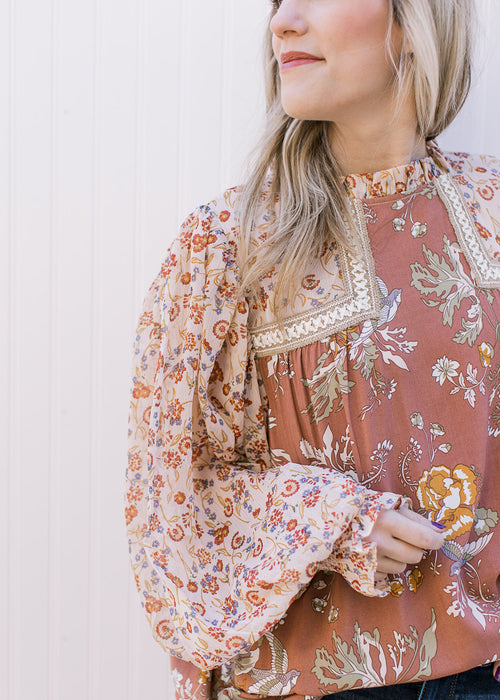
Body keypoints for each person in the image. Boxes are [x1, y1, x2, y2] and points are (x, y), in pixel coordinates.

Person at [125, 1, 500, 697]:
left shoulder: (491, 209)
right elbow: (172, 512)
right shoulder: (228, 250)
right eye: (275, 1)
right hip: (309, 682)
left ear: (414, 20)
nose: (283, 22)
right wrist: (337, 518)